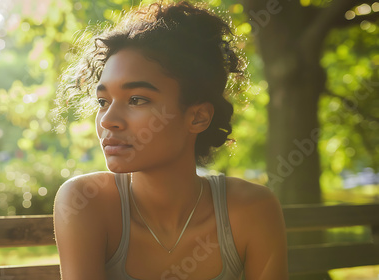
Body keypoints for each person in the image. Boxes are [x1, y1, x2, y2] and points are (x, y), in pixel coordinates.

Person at [53, 1, 288, 279]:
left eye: (136, 99)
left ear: (198, 117)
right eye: (103, 101)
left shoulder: (252, 209)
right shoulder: (85, 202)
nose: (106, 120)